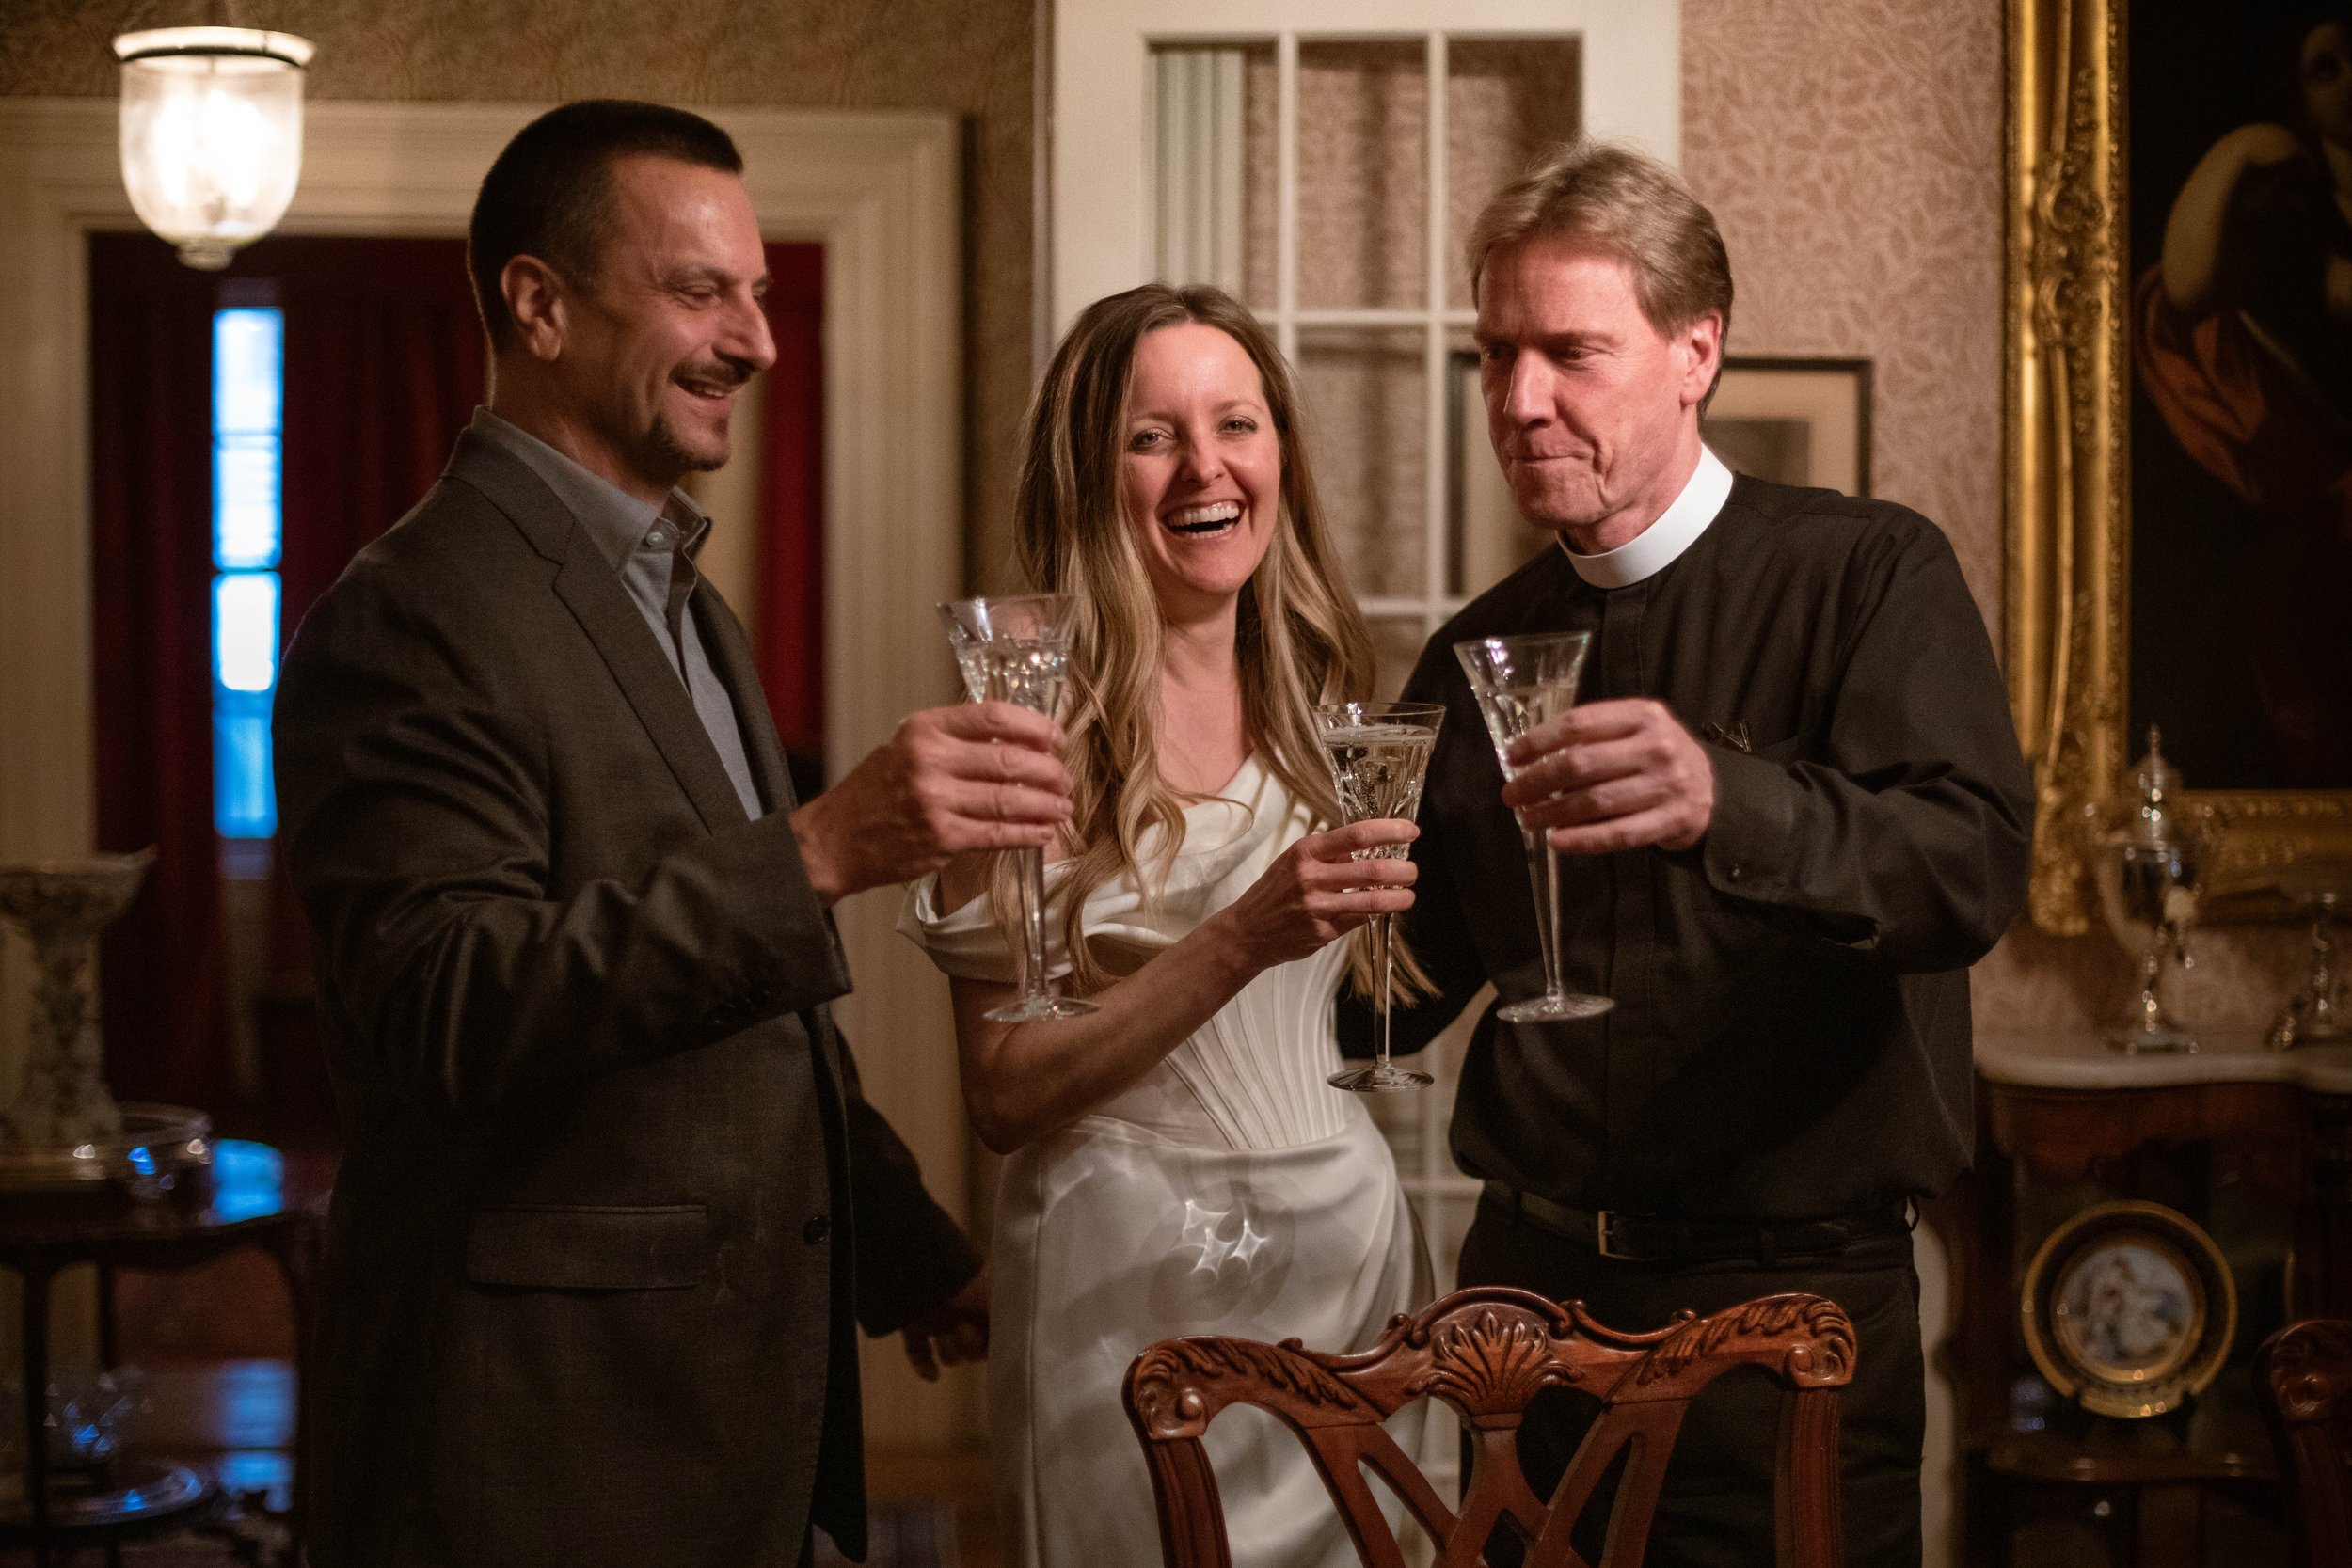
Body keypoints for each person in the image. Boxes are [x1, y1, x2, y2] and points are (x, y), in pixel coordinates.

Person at [274, 101, 1067, 1568]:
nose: (759, 340)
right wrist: (819, 847)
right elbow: (444, 999)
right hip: (537, 1442)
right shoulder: (410, 613)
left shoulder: (687, 600)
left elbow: (743, 1019)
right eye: (703, 290)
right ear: (540, 305)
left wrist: (906, 1242)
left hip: (724, 1410)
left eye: (758, 292)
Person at [1344, 142, 2034, 1568]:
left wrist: (1730, 798)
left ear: (1694, 350)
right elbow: (1394, 995)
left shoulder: (1869, 573)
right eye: (1497, 355)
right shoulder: (1474, 646)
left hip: (1778, 1328)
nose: (1519, 398)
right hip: (1522, 1322)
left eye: (1570, 351)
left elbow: (1969, 869)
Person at [899, 284, 1430, 1568]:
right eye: (1153, 435)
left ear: (1280, 456)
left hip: (1344, 1258)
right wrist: (1239, 933)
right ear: (1091, 474)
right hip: (1120, 1293)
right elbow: (1006, 1095)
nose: (1206, 466)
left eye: (1236, 422)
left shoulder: (1330, 711)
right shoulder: (1025, 740)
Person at [2137, 10, 2352, 784]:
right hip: (2319, 561)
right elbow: (2187, 285)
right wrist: (2239, 150)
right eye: (2328, 69)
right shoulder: (2287, 214)